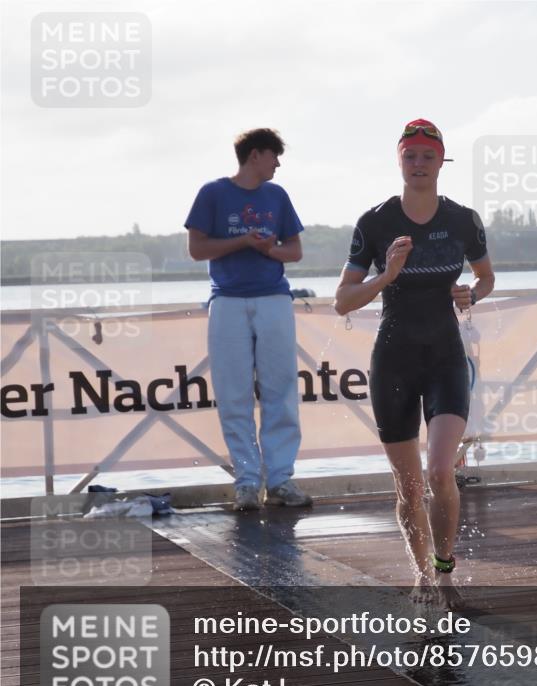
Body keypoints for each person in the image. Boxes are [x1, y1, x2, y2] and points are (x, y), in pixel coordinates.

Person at [334, 119, 495, 605]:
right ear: (399, 161)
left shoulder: (463, 220)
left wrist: (471, 294)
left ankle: (444, 572)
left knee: (440, 472)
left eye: (428, 156)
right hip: (394, 362)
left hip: (445, 358)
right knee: (408, 487)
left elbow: (486, 278)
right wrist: (387, 275)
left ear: (441, 162)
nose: (419, 165)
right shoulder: (375, 222)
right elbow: (343, 300)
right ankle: (421, 574)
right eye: (411, 156)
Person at [184, 128, 312, 511]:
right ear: (255, 155)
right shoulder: (213, 193)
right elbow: (196, 249)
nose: (278, 164)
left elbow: (295, 251)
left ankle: (281, 480)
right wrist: (242, 241)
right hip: (227, 301)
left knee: (280, 391)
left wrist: (267, 249)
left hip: (274, 299)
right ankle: (246, 483)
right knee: (233, 394)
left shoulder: (277, 196)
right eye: (274, 156)